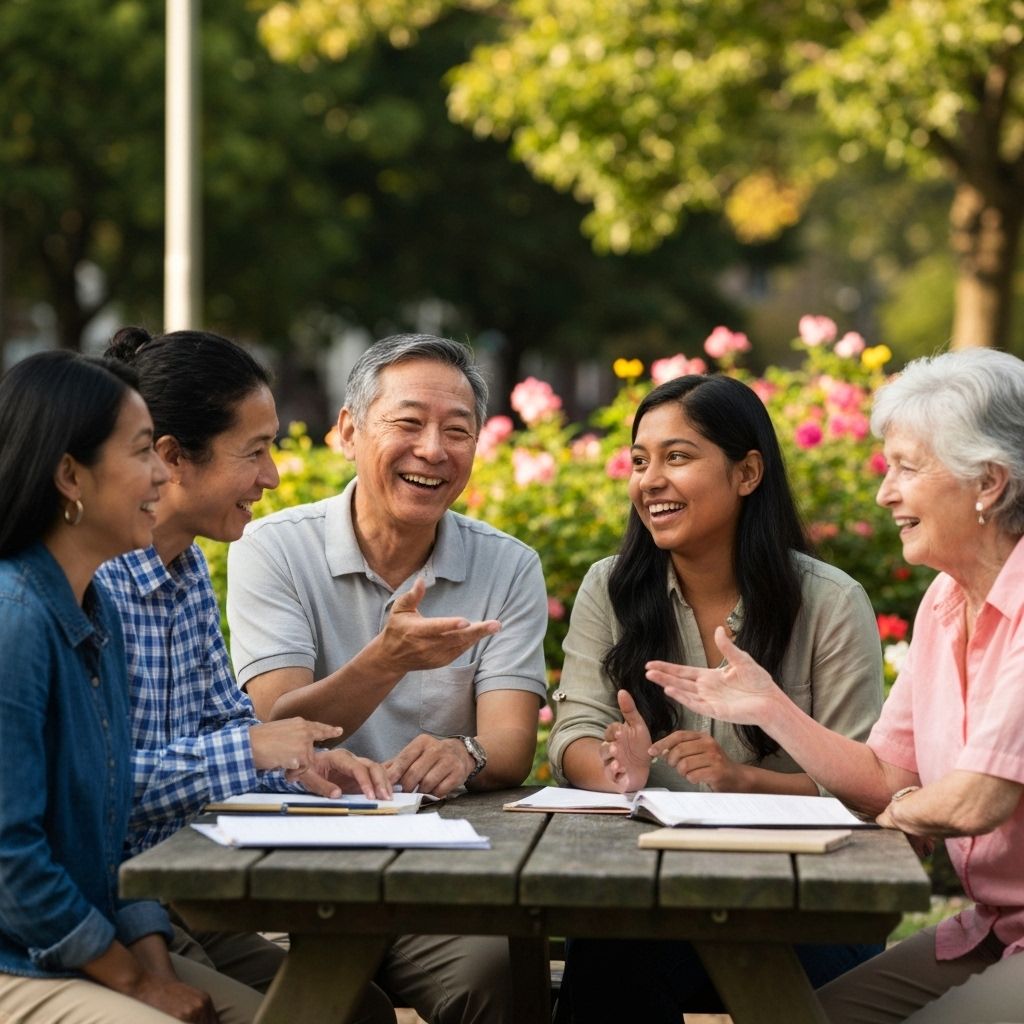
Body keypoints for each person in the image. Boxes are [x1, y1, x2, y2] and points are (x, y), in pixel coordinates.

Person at [648, 348, 1024, 1024]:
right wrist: (771, 707)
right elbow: (886, 774)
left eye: (907, 468)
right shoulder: (946, 601)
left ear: (989, 482)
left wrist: (900, 814)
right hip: (995, 927)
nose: (886, 493)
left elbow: (977, 800)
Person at [227, 333, 549, 1024]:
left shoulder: (509, 565)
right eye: (407, 423)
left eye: (456, 431)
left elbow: (511, 744)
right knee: (324, 1003)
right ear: (348, 432)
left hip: (443, 883)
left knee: (497, 974)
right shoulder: (273, 549)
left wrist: (470, 753)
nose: (433, 449)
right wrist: (389, 658)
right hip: (297, 877)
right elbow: (277, 724)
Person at [548, 373, 885, 1021]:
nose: (649, 480)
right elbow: (573, 738)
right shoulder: (610, 588)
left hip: (807, 903)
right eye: (640, 461)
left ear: (748, 472)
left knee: (626, 952)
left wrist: (741, 779)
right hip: (657, 890)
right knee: (617, 942)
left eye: (677, 457)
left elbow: (867, 790)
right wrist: (619, 771)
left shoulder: (829, 603)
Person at [98, 327, 395, 1024]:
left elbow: (221, 726)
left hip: (170, 894)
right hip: (104, 905)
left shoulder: (186, 567)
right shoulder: (90, 583)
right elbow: (88, 785)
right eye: (255, 451)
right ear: (172, 458)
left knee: (359, 1012)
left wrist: (309, 768)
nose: (272, 477)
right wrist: (254, 750)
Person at [0, 350, 258, 1023]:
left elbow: (112, 832)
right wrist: (141, 985)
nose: (160, 474)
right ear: (68, 475)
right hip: (17, 956)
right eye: (144, 453)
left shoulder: (93, 610)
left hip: (81, 942)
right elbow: (10, 861)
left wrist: (152, 964)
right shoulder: (15, 619)